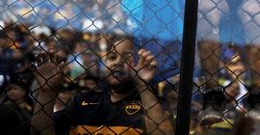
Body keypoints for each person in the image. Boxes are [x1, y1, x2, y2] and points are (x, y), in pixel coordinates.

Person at [30, 36, 173, 135]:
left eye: (128, 58)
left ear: (141, 62)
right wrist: (46, 93)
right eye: (111, 57)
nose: (117, 62)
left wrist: (143, 86)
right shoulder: (81, 102)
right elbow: (41, 131)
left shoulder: (153, 106)